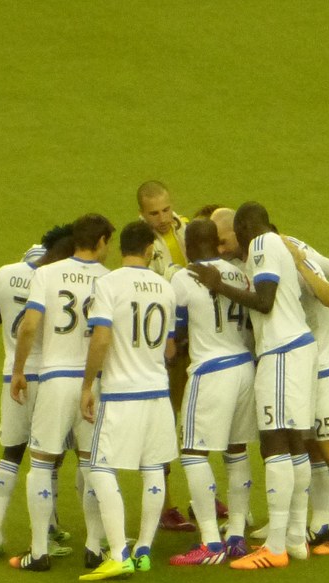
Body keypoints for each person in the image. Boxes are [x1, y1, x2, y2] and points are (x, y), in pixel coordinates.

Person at [189, 202, 317, 569]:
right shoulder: (277, 244)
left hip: (281, 352)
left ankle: (275, 548)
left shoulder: (261, 245)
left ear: (245, 230)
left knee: (274, 442)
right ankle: (294, 537)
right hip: (300, 349)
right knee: (295, 442)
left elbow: (264, 301)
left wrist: (218, 286)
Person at [8, 214, 114, 572]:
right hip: (93, 384)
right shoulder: (109, 279)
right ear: (99, 241)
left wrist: (19, 369)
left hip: (54, 379)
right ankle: (95, 548)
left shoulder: (46, 274)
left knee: (40, 462)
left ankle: (39, 551)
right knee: (92, 464)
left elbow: (30, 326)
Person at [79, 221, 179, 581]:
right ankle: (144, 550)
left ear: (122, 248)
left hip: (122, 394)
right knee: (153, 468)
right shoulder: (166, 289)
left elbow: (101, 338)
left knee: (100, 468)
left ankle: (119, 551)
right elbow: (169, 347)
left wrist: (87, 385)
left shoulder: (107, 284)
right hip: (157, 393)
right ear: (151, 249)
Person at [0, 225, 75, 560]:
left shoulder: (5, 273)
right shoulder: (57, 281)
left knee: (11, 453)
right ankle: (46, 534)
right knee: (47, 457)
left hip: (13, 375)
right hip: (48, 378)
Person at [168, 219, 257, 565]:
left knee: (193, 453)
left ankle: (209, 542)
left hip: (211, 371)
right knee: (236, 452)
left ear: (191, 244)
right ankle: (235, 534)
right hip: (244, 367)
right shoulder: (238, 274)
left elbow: (174, 334)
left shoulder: (183, 276)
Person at [286, 240, 329, 554]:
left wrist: (301, 261)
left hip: (326, 370)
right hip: (304, 371)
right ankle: (321, 522)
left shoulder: (298, 261)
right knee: (312, 448)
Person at [136, 180, 199, 533]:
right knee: (166, 424)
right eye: (153, 213)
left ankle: (202, 496)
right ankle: (165, 504)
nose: (161, 218)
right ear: (142, 214)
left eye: (165, 209)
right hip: (169, 348)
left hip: (198, 342)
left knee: (198, 421)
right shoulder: (142, 247)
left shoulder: (188, 228)